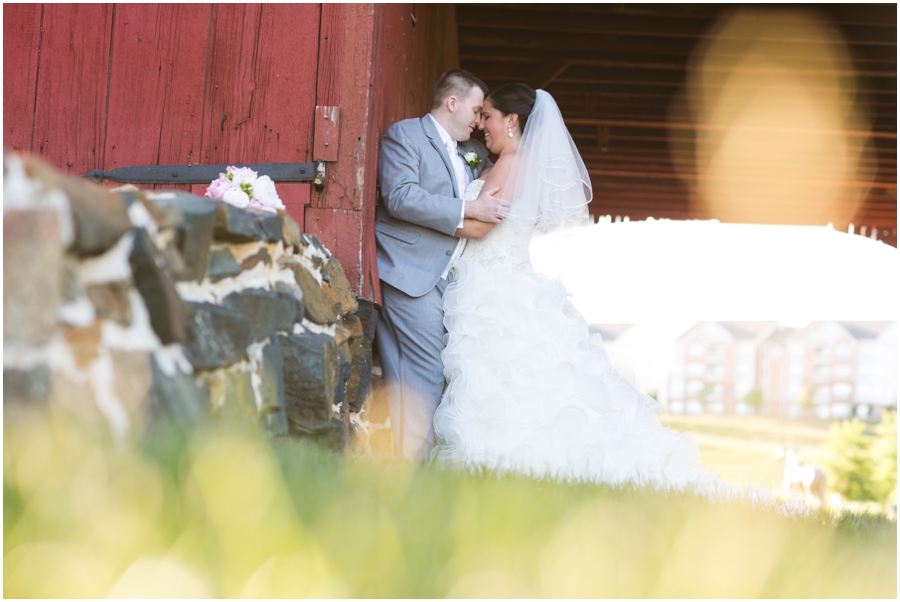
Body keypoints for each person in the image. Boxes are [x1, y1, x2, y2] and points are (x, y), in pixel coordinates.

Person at [431, 83, 808, 514]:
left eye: (491, 116)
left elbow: (479, 228)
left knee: (504, 378)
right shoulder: (522, 168)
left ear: (512, 121)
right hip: (508, 282)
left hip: (494, 290)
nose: (484, 126)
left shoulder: (508, 166)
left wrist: (422, 213)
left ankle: (503, 463)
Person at [375, 70, 512, 461]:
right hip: (409, 272)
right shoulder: (406, 135)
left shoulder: (471, 153)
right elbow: (400, 197)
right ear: (451, 103)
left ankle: (403, 466)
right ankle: (414, 469)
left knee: (419, 375)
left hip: (445, 280)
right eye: (475, 109)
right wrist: (470, 208)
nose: (478, 119)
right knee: (425, 373)